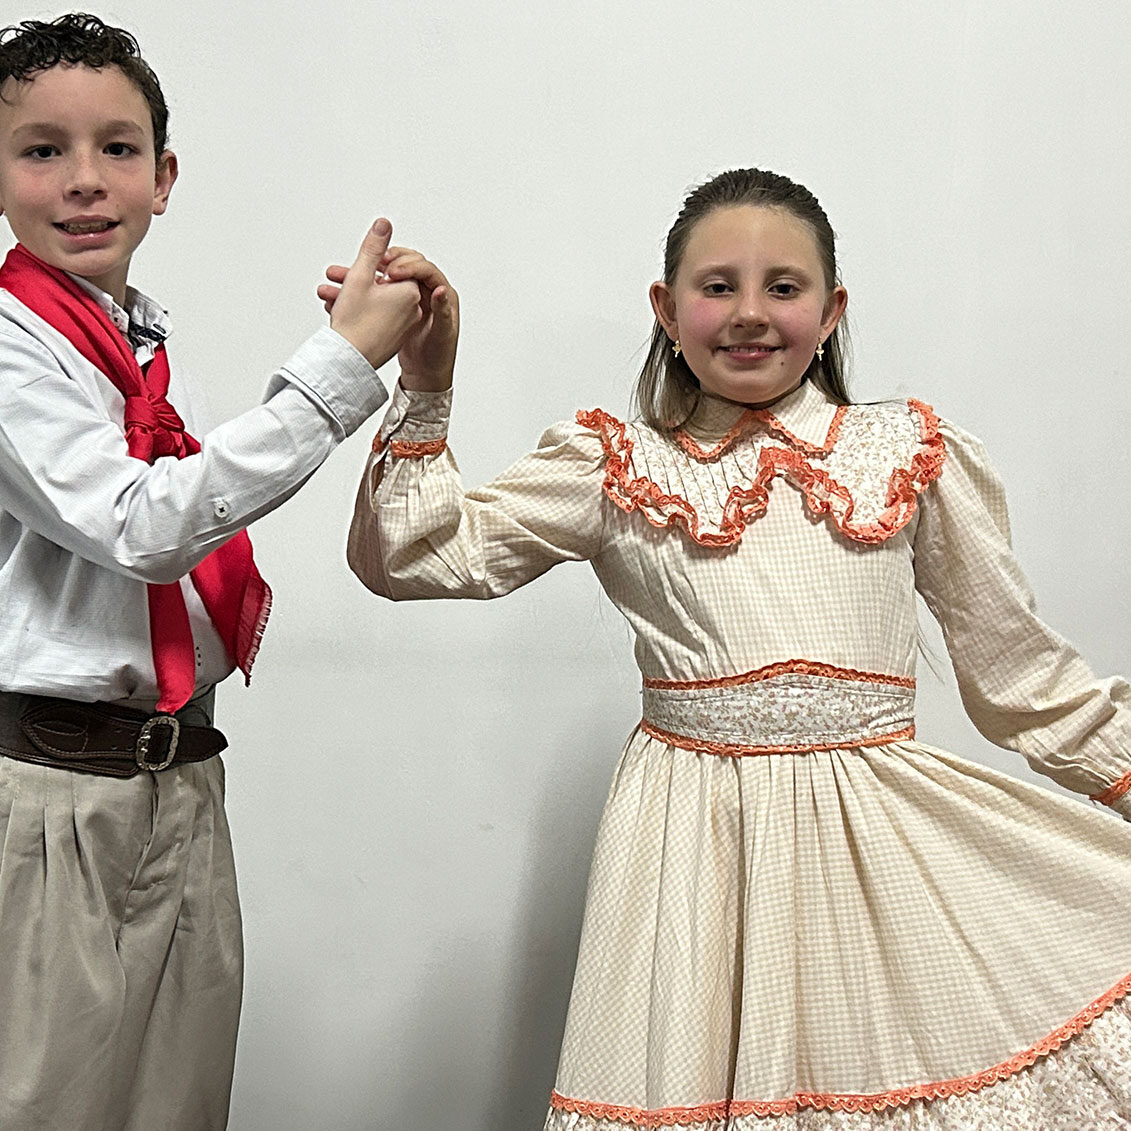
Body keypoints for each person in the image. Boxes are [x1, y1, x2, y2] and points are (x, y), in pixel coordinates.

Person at [345, 168, 1131, 1128]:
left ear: (832, 310)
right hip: (689, 852)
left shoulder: (903, 450)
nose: (750, 313)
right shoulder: (617, 463)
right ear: (666, 311)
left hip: (877, 852)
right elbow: (412, 556)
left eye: (784, 288)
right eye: (717, 286)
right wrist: (426, 381)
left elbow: (1022, 677)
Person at [0, 13, 428, 1130]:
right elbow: (144, 525)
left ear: (165, 176)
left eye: (119, 149)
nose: (85, 181)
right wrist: (339, 368)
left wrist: (406, 357)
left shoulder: (125, 345)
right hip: (51, 797)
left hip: (181, 780)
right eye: (41, 150)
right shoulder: (9, 346)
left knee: (178, 1108)